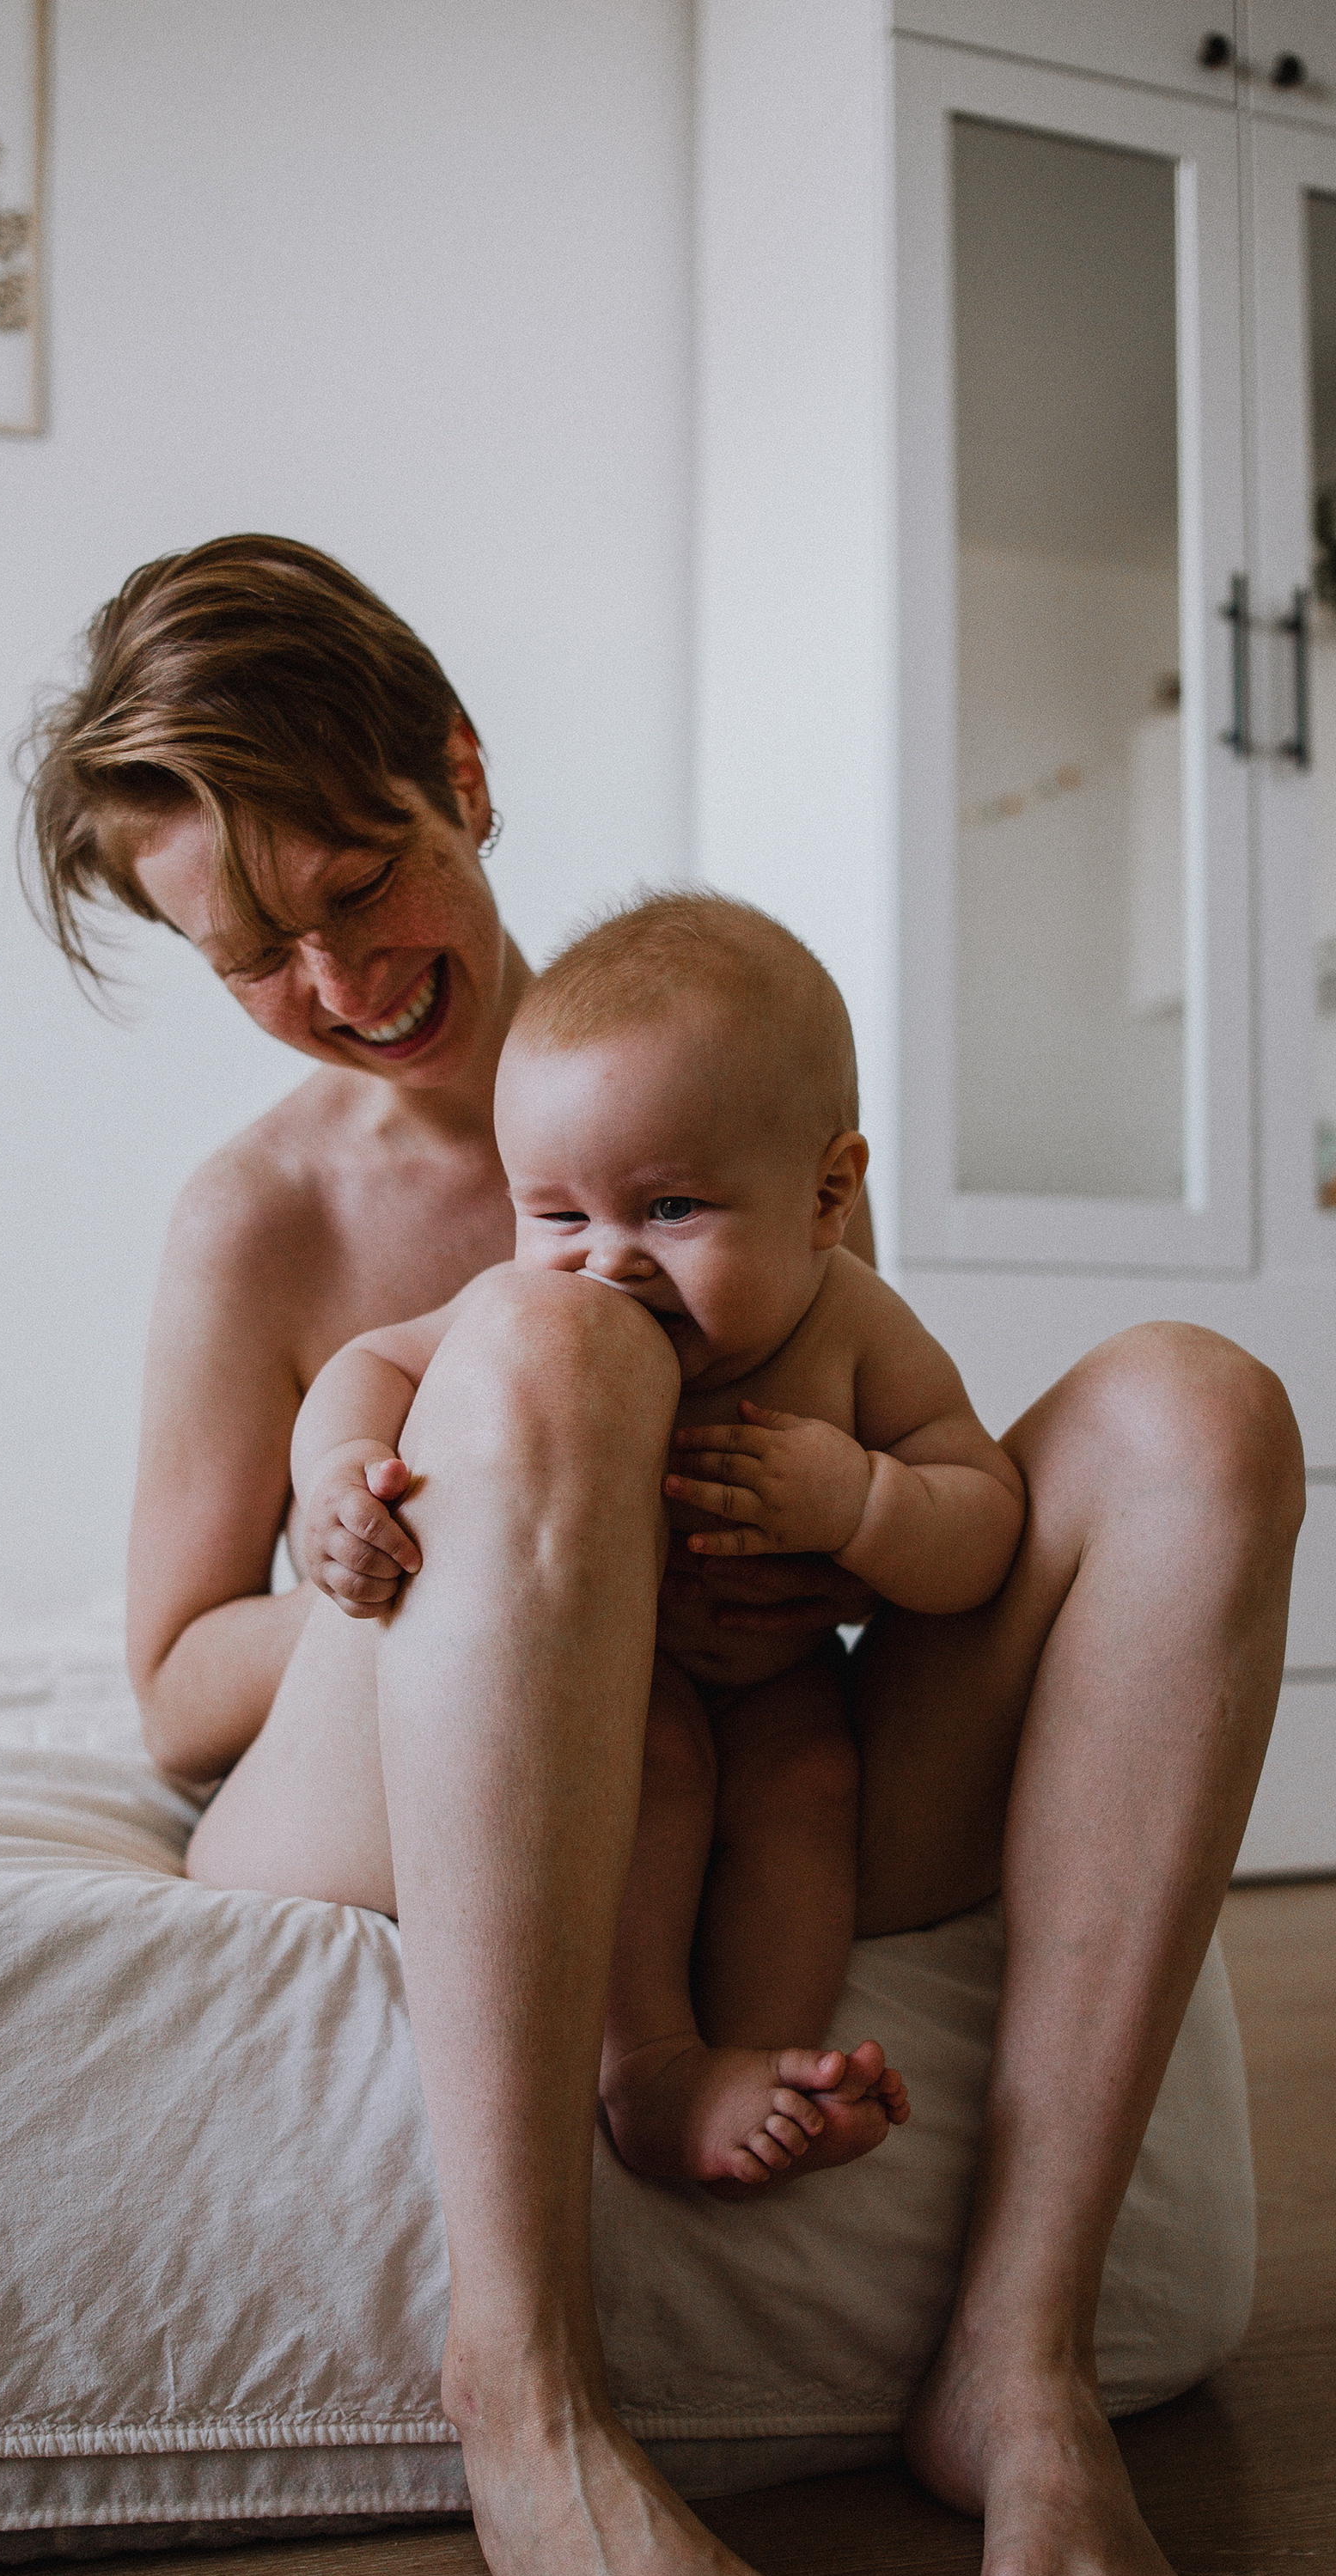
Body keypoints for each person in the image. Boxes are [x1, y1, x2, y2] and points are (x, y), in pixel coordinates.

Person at [23, 533, 1304, 2576]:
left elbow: (886, 1469)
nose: (335, 979)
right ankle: (528, 2400)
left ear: (459, 772)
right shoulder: (266, 1222)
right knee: (548, 1352)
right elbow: (173, 1684)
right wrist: (443, 1549)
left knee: (1198, 1410)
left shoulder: (721, 1070)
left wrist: (816, 1535)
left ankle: (1017, 2359)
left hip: (759, 1748)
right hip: (421, 1760)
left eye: (356, 882)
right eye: (252, 956)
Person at [295, 891, 1025, 2194]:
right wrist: (337, 1477)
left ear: (826, 1194)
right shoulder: (520, 1311)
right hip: (591, 1699)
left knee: (812, 1789)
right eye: (559, 1215)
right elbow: (372, 1363)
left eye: (672, 1207)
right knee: (662, 1764)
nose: (608, 1264)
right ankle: (645, 2061)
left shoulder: (856, 1328)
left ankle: (761, 2052)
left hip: (777, 1680)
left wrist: (865, 1504)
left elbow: (981, 1516)